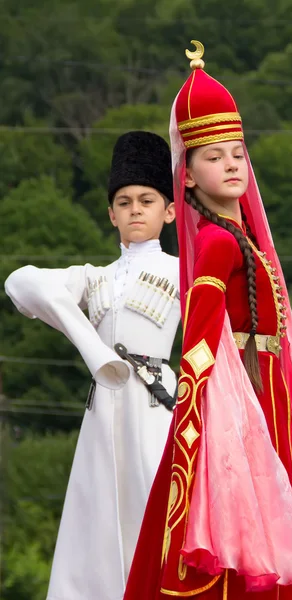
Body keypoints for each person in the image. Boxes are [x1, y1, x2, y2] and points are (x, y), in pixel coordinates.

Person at [124, 43, 292, 600]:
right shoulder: (215, 243)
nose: (232, 164)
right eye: (214, 156)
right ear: (185, 177)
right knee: (251, 518)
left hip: (269, 394)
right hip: (241, 403)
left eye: (238, 152)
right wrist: (200, 424)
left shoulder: (244, 238)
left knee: (275, 511)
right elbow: (200, 341)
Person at [5, 131, 181, 600]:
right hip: (103, 404)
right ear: (110, 214)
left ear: (169, 210)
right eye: (123, 201)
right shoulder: (93, 277)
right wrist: (93, 348)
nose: (135, 209)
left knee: (155, 508)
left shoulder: (183, 270)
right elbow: (20, 283)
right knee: (98, 515)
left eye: (147, 199)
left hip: (156, 402)